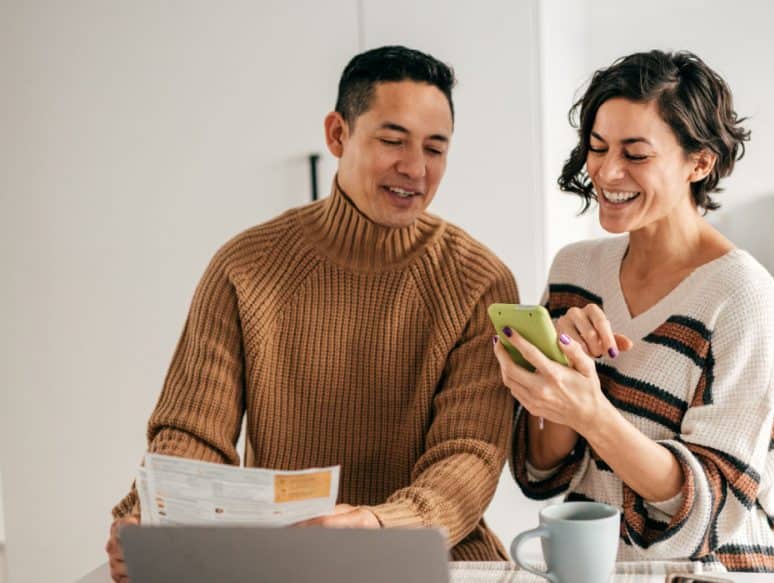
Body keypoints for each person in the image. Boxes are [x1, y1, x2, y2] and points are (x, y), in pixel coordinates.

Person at [106, 45, 519, 582]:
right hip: (285, 563)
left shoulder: (479, 281)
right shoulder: (245, 267)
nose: (415, 168)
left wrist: (378, 525)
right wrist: (149, 518)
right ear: (337, 135)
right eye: (392, 140)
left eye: (435, 149)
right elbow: (193, 435)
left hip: (434, 561)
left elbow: (469, 458)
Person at [496, 50, 774, 573]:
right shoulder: (576, 270)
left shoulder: (742, 294)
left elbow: (709, 509)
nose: (607, 171)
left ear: (699, 162)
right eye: (597, 147)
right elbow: (539, 472)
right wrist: (560, 373)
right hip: (595, 568)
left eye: (635, 154)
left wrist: (593, 413)